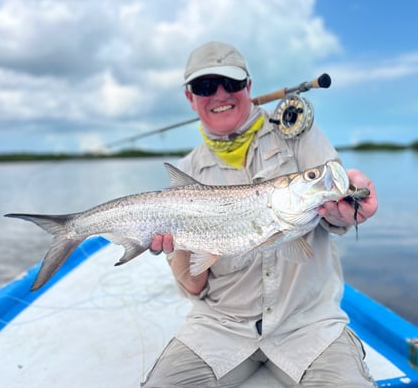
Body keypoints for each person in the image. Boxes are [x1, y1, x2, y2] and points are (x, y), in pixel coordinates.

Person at [141, 41, 378, 388]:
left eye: (232, 84)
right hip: (220, 325)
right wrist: (174, 247)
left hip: (308, 324)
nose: (220, 94)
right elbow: (194, 283)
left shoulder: (297, 132)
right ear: (190, 98)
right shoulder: (186, 173)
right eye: (205, 87)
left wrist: (350, 208)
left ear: (248, 87)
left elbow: (335, 210)